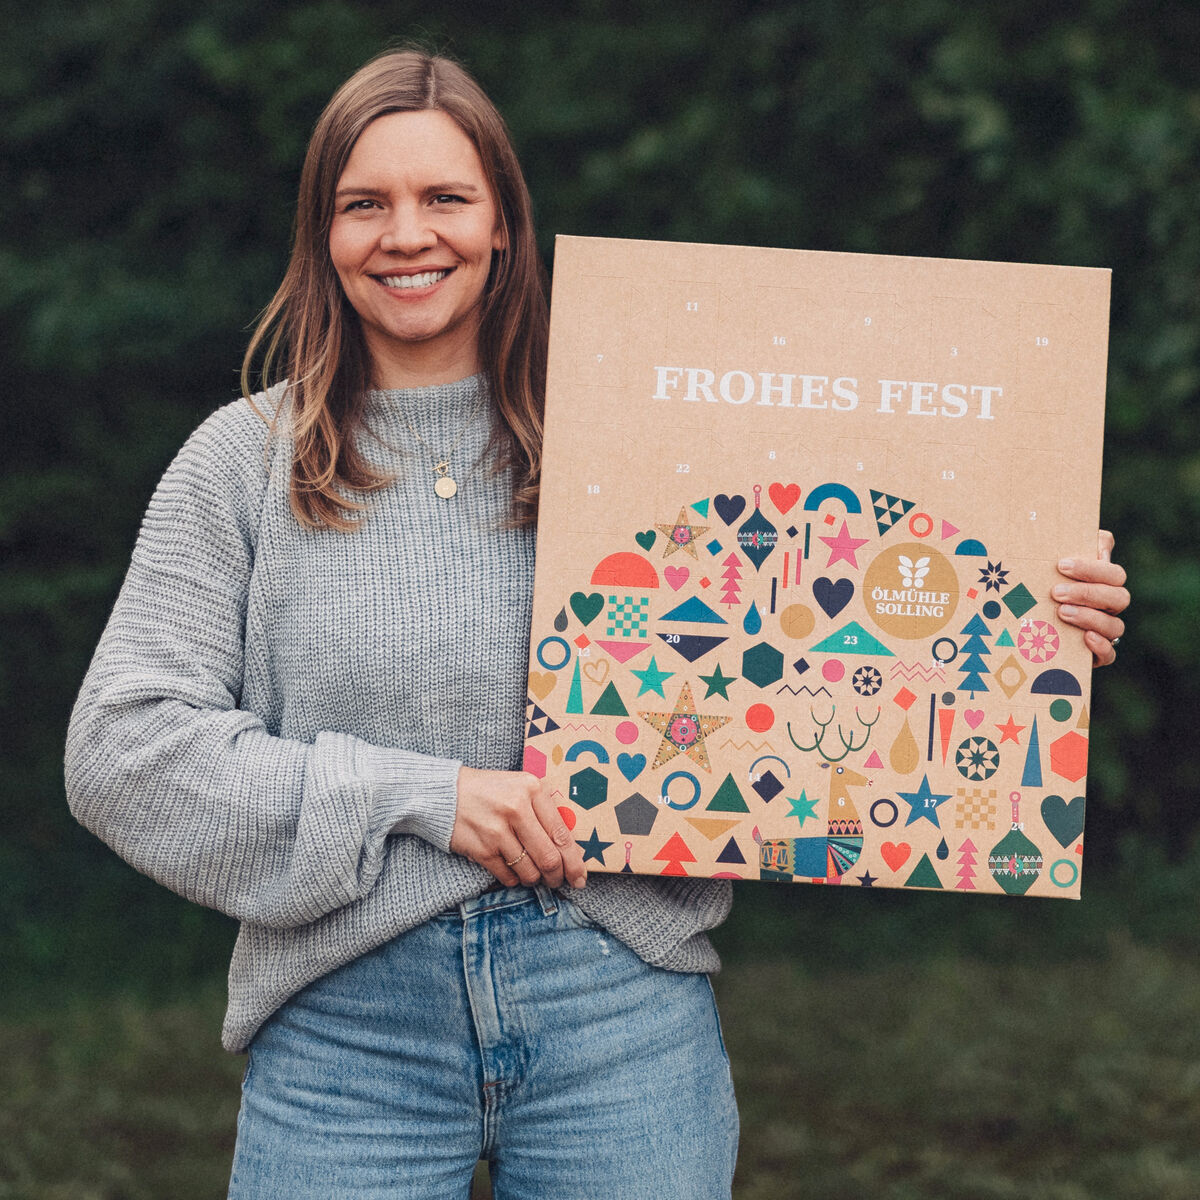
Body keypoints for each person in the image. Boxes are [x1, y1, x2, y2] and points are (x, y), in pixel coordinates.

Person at [64, 47, 1129, 1200]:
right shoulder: (243, 463)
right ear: (322, 235)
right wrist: (427, 798)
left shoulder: (644, 432)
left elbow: (848, 616)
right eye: (364, 204)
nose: (406, 234)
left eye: (445, 199)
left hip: (619, 1011)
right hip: (344, 1029)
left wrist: (1023, 615)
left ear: (504, 224)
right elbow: (121, 751)